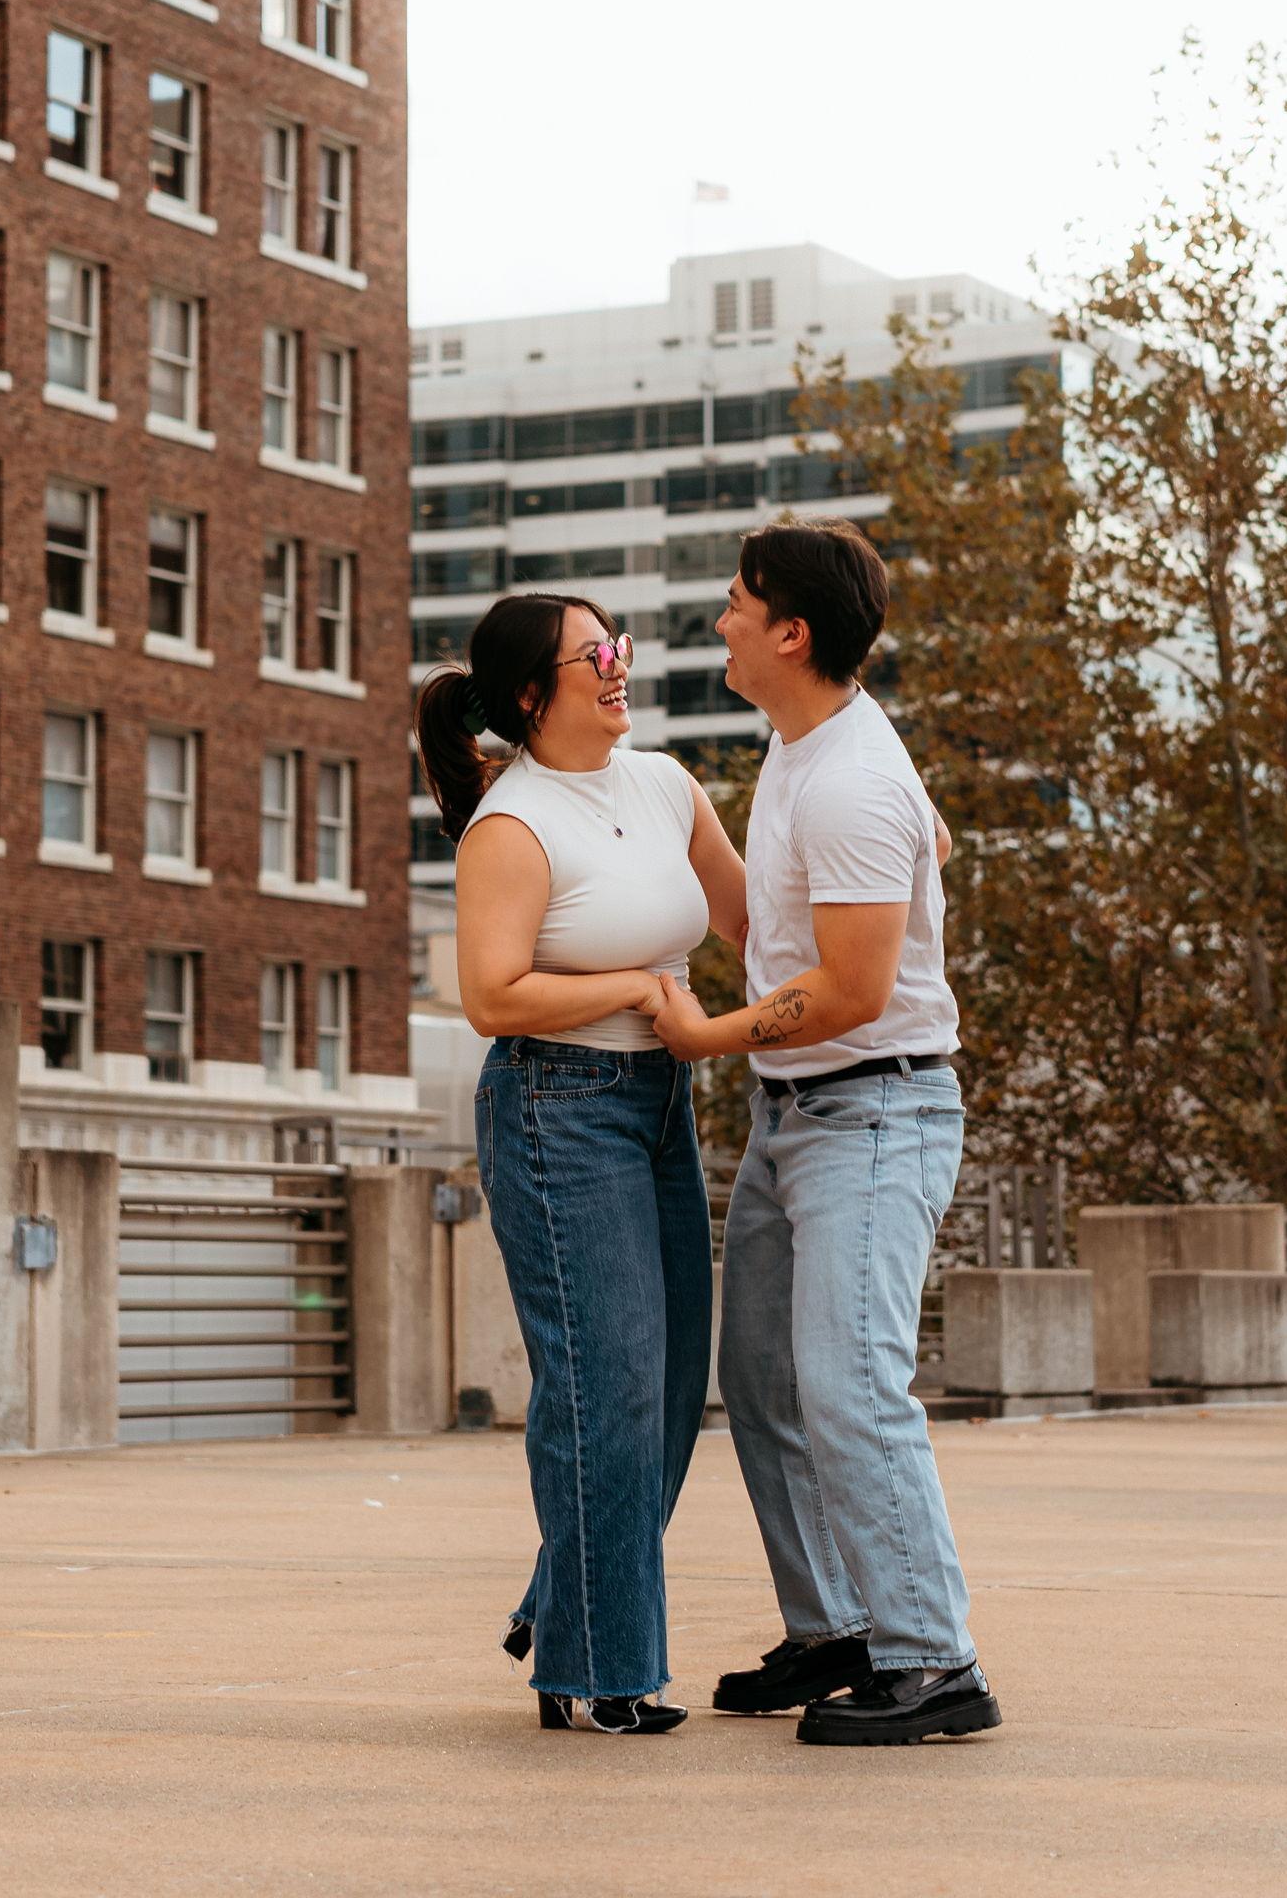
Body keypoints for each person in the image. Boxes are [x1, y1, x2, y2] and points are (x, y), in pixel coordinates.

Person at [649, 519, 1001, 1747]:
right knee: (758, 1374)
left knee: (850, 1382)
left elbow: (851, 987)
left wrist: (705, 1032)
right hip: (799, 1114)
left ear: (790, 632)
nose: (720, 619)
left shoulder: (847, 775)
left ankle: (932, 1658)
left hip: (876, 1107)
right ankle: (837, 1627)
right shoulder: (806, 742)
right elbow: (848, 881)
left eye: (738, 603)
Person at [415, 594, 747, 1734]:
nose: (618, 668)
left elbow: (760, 924)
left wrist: (898, 842)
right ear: (528, 694)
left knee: (662, 1395)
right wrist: (632, 987)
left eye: (620, 648)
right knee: (603, 1388)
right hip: (558, 1105)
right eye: (592, 655)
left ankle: (564, 1608)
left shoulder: (664, 785)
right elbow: (490, 994)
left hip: (660, 1100)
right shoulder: (510, 825)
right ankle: (600, 1671)